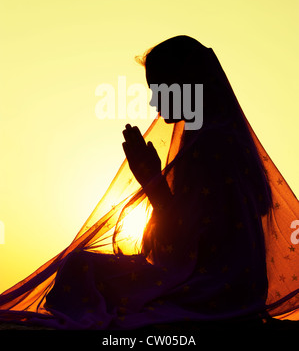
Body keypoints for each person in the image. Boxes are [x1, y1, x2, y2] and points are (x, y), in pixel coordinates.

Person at [0, 36, 298, 332]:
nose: (155, 101)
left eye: (160, 89)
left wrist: (151, 179)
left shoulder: (209, 144)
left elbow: (179, 247)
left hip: (208, 294)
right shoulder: (219, 136)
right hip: (233, 292)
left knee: (79, 267)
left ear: (186, 86)